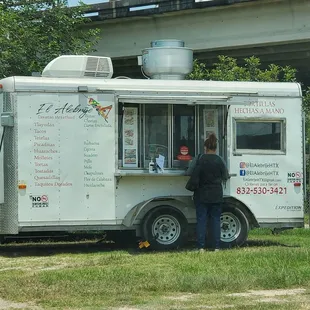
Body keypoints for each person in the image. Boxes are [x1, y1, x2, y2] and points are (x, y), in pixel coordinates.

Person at [190, 133, 229, 252]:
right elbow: (225, 176)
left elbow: (189, 172)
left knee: (201, 220)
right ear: (216, 148)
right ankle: (216, 246)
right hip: (216, 193)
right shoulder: (220, 159)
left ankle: (201, 247)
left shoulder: (199, 158)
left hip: (201, 194)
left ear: (205, 147)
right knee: (216, 220)